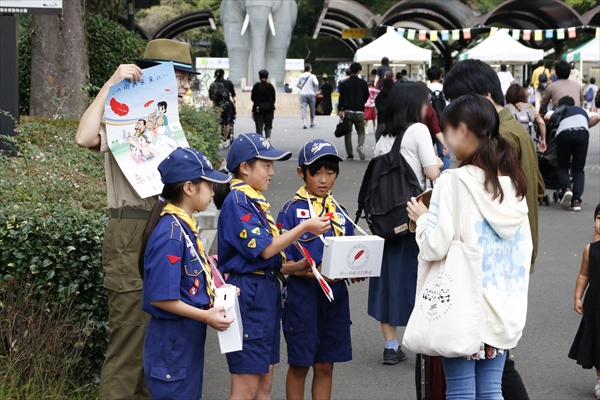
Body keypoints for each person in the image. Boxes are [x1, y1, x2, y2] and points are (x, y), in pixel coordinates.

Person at [74, 38, 199, 400]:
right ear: (157, 76)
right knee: (129, 342)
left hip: (163, 227)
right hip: (131, 227)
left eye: (188, 78)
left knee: (153, 342)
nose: (186, 85)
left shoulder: (165, 123)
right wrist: (109, 84)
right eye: (180, 76)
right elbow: (83, 137)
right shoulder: (122, 118)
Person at [407, 94, 532, 400]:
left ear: (463, 132)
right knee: (491, 391)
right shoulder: (513, 185)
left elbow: (435, 247)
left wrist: (422, 220)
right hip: (502, 308)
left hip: (463, 307)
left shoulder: (452, 182)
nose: (446, 143)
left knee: (460, 392)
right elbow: (523, 248)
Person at [443, 58, 545, 400]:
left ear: (485, 97)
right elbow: (536, 189)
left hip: (487, 268)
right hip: (511, 257)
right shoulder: (516, 128)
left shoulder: (500, 137)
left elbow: (479, 211)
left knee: (481, 379)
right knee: (493, 374)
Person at [214, 133, 331, 400]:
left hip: (264, 290)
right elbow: (265, 248)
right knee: (246, 388)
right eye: (266, 165)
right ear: (245, 167)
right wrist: (304, 227)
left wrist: (293, 267)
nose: (272, 172)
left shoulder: (251, 198)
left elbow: (266, 256)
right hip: (250, 292)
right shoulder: (239, 200)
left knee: (264, 385)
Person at [139, 147, 234, 399]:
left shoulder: (182, 226)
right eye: (208, 184)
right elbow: (160, 297)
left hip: (183, 342)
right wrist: (206, 316)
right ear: (189, 188)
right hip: (173, 344)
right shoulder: (171, 233)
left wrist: (217, 291)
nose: (213, 191)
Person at [278, 139, 358, 400]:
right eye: (316, 172)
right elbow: (280, 264)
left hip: (334, 299)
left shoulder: (341, 213)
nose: (324, 179)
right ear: (302, 172)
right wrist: (308, 271)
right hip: (303, 297)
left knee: (325, 364)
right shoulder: (290, 212)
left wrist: (354, 270)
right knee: (300, 364)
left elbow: (350, 256)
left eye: (330, 172)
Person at [369, 82, 442, 365]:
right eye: (425, 102)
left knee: (387, 279)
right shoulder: (419, 131)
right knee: (419, 278)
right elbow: (432, 172)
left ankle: (391, 346)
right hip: (414, 216)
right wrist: (436, 160)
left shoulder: (383, 138)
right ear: (414, 103)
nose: (427, 107)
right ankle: (424, 345)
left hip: (387, 220)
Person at [543, 96, 600, 211]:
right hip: (582, 134)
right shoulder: (581, 110)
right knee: (578, 168)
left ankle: (567, 189)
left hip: (564, 134)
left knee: (562, 165)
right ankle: (576, 201)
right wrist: (585, 126)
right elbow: (597, 117)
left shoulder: (559, 109)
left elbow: (547, 117)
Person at [569, 203, 600, 399]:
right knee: (598, 342)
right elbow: (583, 274)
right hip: (596, 305)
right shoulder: (590, 249)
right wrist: (577, 297)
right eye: (599, 218)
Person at [338, 62, 369, 160]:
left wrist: (340, 109)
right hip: (359, 110)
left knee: (348, 132)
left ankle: (350, 153)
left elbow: (341, 97)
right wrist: (361, 102)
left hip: (348, 111)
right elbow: (366, 96)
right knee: (361, 131)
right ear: (359, 71)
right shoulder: (363, 83)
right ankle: (360, 145)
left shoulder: (344, 83)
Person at [505, 83, 547, 153]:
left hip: (512, 146)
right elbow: (541, 122)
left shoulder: (506, 109)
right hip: (529, 146)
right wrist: (543, 140)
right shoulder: (529, 107)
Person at [426, 66, 450, 170]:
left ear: (428, 76)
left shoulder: (424, 90)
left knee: (426, 154)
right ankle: (445, 178)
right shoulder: (445, 90)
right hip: (443, 126)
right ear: (441, 76)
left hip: (427, 126)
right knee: (444, 154)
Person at [209, 69, 236, 148]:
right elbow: (233, 94)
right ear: (223, 75)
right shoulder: (228, 83)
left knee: (218, 122)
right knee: (227, 122)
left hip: (216, 105)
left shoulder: (212, 84)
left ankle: (219, 140)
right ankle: (225, 140)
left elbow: (211, 98)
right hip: (227, 104)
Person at [251, 69, 276, 140]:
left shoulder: (256, 86)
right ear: (267, 77)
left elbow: (252, 98)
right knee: (268, 126)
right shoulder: (271, 87)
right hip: (269, 110)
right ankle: (268, 138)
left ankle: (260, 140)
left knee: (259, 127)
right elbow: (273, 99)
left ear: (259, 77)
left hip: (258, 110)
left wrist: (257, 104)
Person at [297, 63, 320, 129]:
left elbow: (297, 84)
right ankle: (312, 123)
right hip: (311, 94)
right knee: (312, 108)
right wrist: (315, 90)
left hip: (303, 94)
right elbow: (316, 83)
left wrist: (301, 87)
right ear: (310, 69)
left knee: (303, 108)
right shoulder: (313, 76)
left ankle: (304, 123)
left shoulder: (301, 76)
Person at [374, 77, 393, 142]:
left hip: (381, 120)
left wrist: (382, 111)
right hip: (392, 121)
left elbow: (377, 105)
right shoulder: (394, 94)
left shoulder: (380, 95)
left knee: (379, 138)